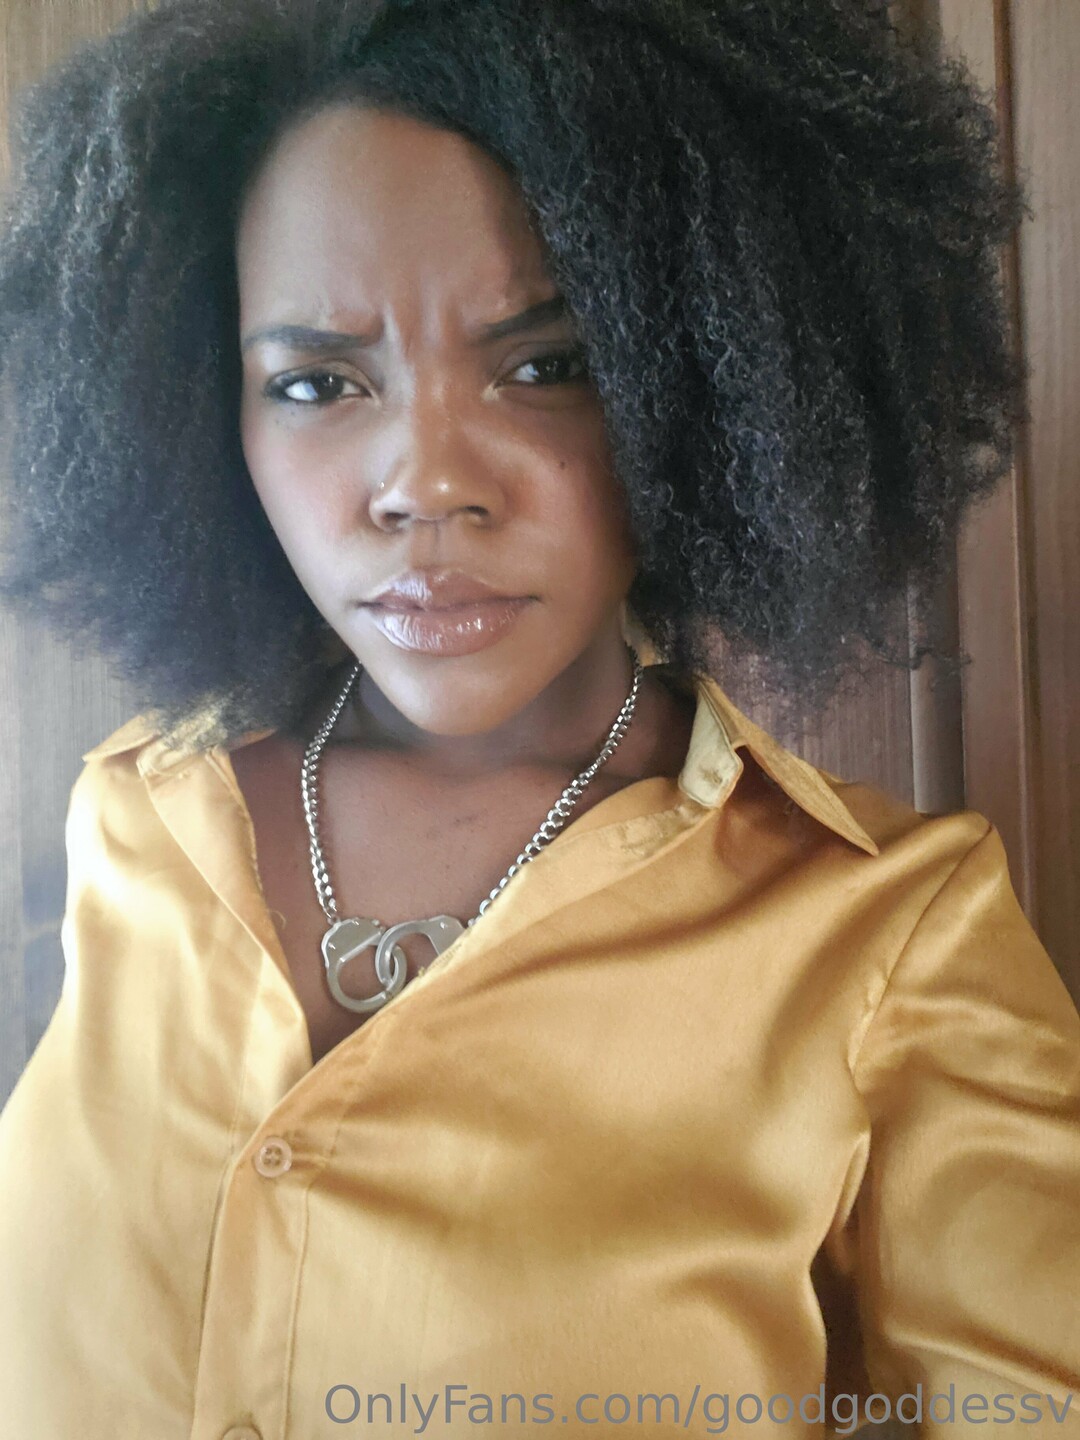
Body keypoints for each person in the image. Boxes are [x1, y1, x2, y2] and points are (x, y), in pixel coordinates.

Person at [0, 1, 1076, 1437]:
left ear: (718, 389)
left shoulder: (892, 936)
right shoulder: (135, 814)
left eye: (545, 364)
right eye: (316, 383)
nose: (424, 484)